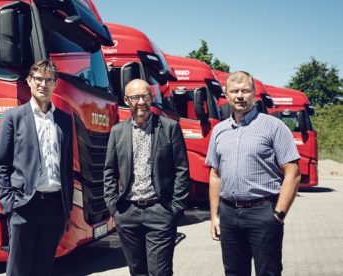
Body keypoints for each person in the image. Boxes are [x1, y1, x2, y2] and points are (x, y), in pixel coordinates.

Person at [206, 71, 301, 276]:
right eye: (235, 91)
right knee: (233, 272)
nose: (240, 95)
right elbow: (215, 174)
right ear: (226, 94)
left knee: (268, 271)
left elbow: (292, 172)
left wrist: (279, 214)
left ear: (254, 93)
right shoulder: (219, 130)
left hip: (263, 213)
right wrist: (215, 216)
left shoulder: (273, 126)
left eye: (245, 90)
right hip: (229, 214)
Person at [0, 59, 73, 276]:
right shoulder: (13, 117)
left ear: (55, 84)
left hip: (55, 208)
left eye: (49, 80)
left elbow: (67, 169)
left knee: (43, 269)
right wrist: (9, 205)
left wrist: (67, 209)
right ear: (29, 81)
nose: (43, 84)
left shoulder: (64, 120)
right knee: (18, 271)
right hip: (24, 206)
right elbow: (0, 166)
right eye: (38, 79)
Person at [103, 79, 190, 276]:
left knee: (160, 272)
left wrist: (174, 208)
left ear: (151, 98)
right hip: (127, 212)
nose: (141, 101)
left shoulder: (169, 128)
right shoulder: (118, 131)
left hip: (160, 210)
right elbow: (109, 170)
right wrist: (114, 207)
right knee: (137, 271)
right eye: (135, 97)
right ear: (127, 100)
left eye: (145, 96)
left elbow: (182, 170)